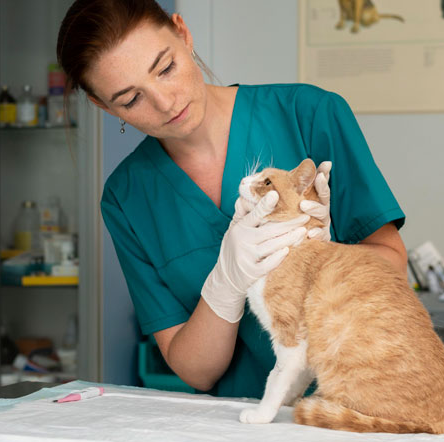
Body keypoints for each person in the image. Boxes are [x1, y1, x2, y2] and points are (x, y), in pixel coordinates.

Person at [57, 0, 407, 398]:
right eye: (130, 99)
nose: (166, 102)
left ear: (183, 34)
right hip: (240, 426)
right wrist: (225, 283)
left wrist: (326, 260)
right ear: (103, 105)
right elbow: (196, 372)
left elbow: (393, 267)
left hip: (357, 404)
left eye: (166, 68)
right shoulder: (127, 197)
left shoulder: (308, 114)